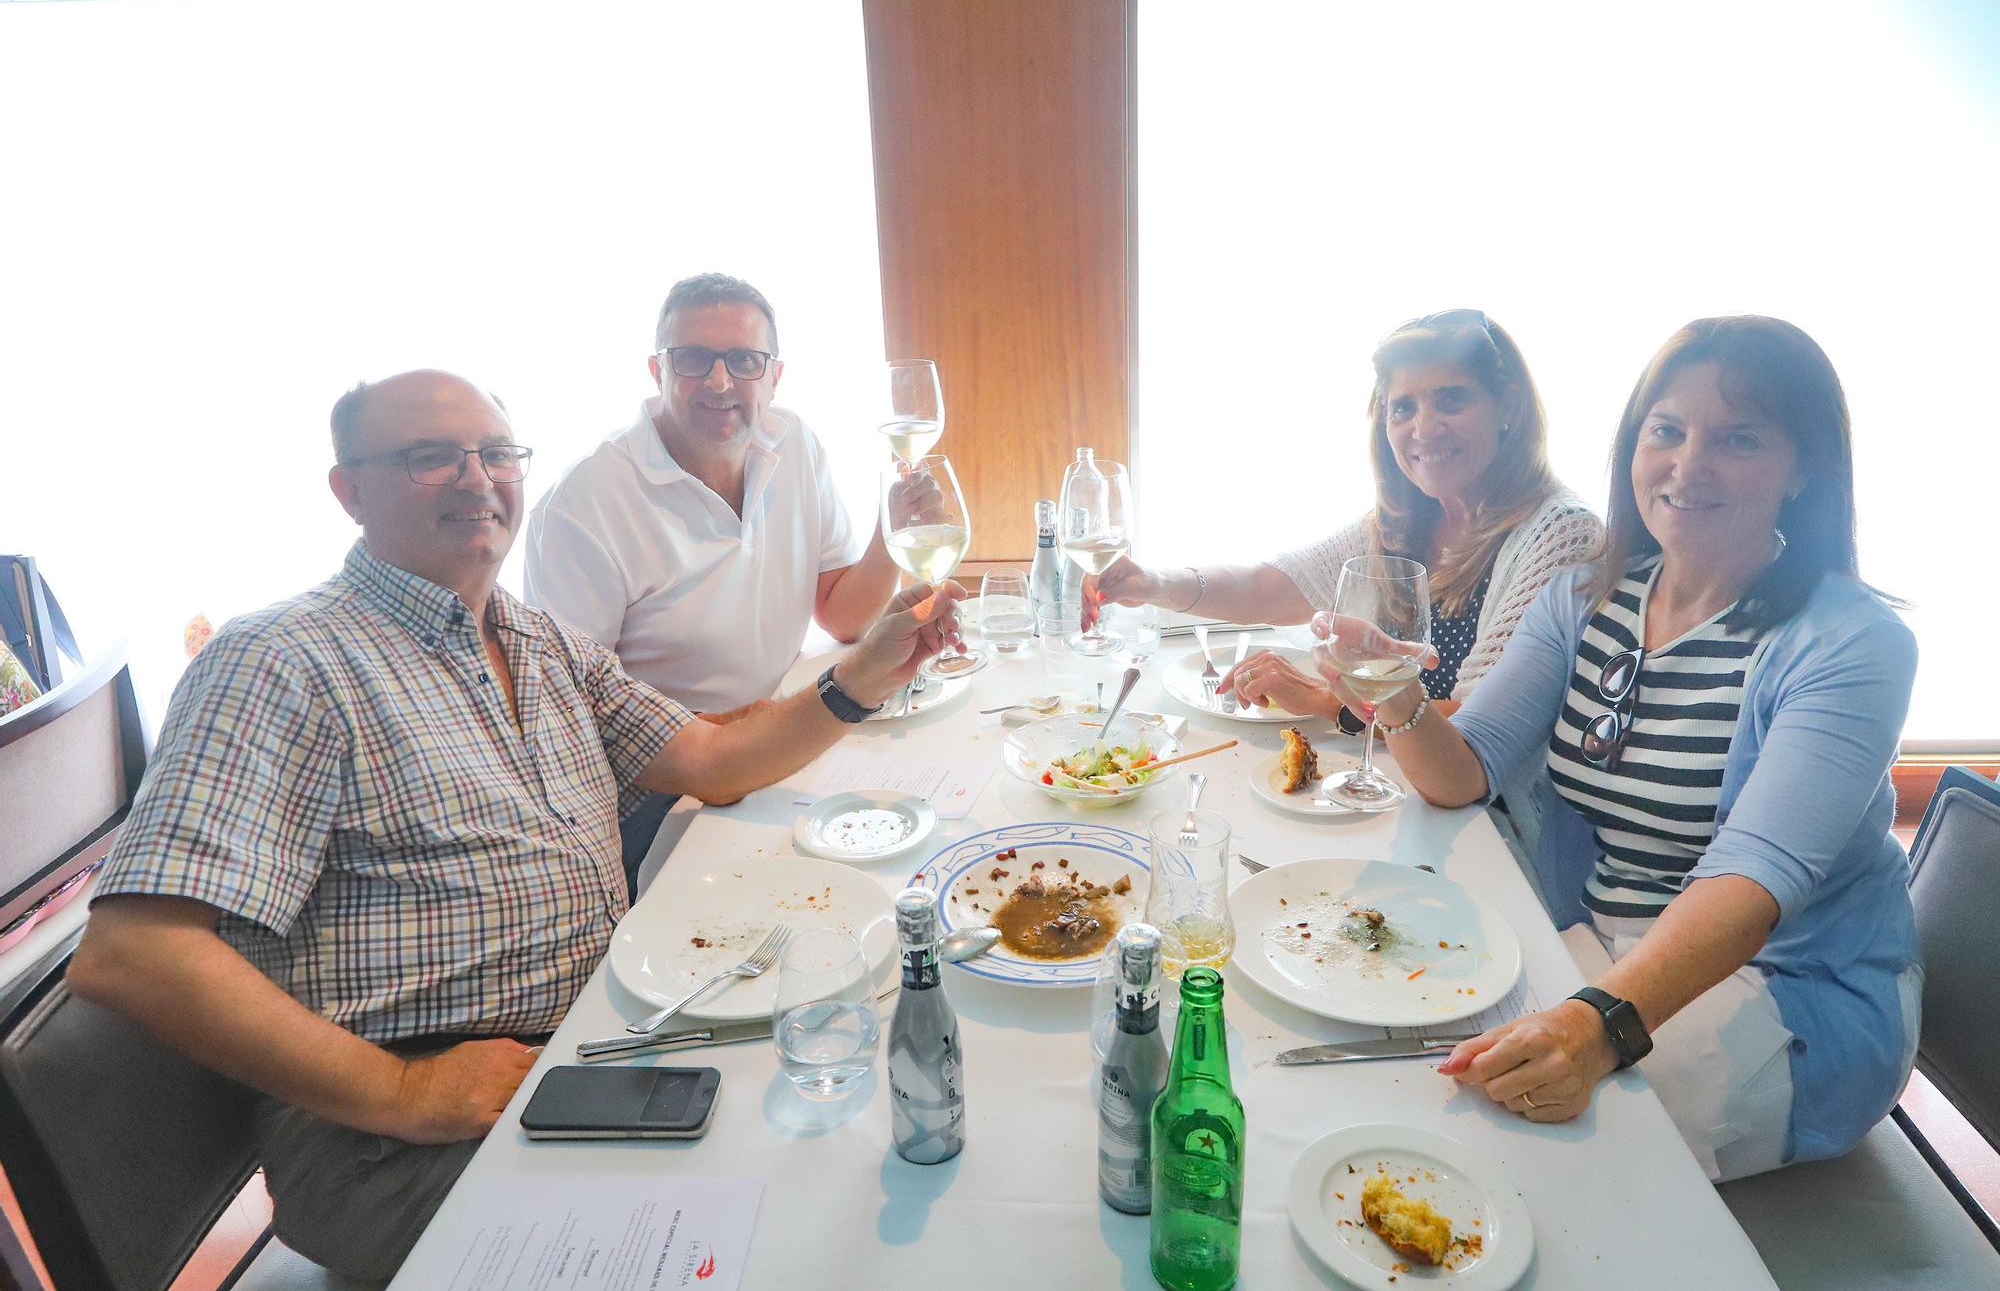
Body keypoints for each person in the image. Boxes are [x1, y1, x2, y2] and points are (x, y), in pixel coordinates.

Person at [67, 370, 960, 1280]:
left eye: (496, 453)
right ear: (349, 490)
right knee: (801, 1244)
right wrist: (404, 1089)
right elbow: (132, 954)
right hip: (402, 1133)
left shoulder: (533, 637)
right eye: (429, 458)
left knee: (876, 1134)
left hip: (592, 1053)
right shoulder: (281, 660)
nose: (475, 477)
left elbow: (711, 759)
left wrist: (861, 676)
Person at [1315, 317, 1919, 1181]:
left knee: (1508, 1156)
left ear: (1806, 468)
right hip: (1599, 944)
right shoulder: (1586, 597)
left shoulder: (1852, 644)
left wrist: (1595, 1025)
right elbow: (1466, 771)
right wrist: (1397, 692)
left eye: (1738, 438)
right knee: (1395, 1044)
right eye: (1665, 430)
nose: (1687, 464)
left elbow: (1753, 878)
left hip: (1780, 992)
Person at [524, 273, 909, 889]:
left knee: (909, 852)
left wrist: (898, 527)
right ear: (657, 370)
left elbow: (842, 615)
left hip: (780, 732)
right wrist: (729, 735)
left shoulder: (795, 443)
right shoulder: (582, 504)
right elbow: (568, 719)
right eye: (694, 359)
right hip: (662, 790)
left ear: (774, 376)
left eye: (744, 361)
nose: (720, 381)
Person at [1088, 309, 1600, 723]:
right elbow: (1271, 587)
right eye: (1403, 408)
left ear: (1507, 405)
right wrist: (1154, 584)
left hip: (1492, 823)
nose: (1424, 427)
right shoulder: (1408, 518)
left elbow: (1480, 724)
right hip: (1406, 784)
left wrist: (1328, 701)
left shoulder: (1559, 533)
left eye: (1451, 400)